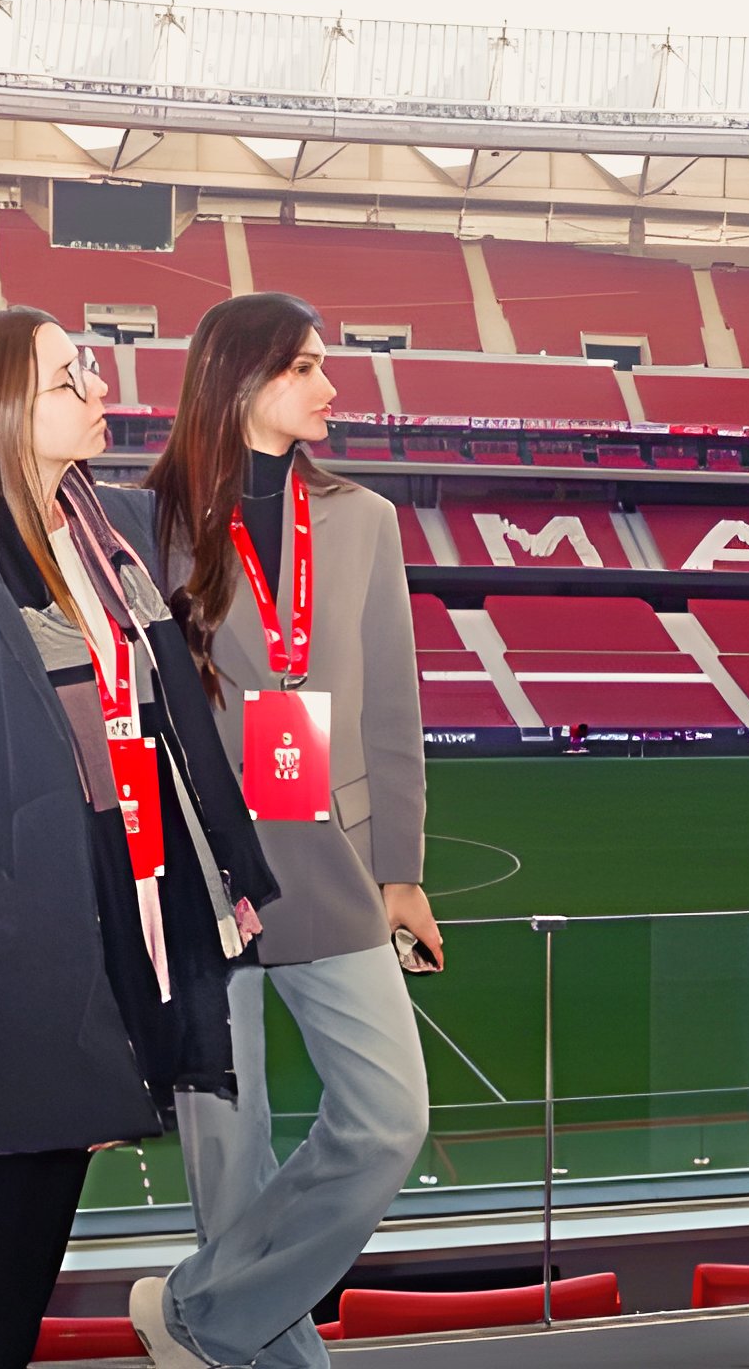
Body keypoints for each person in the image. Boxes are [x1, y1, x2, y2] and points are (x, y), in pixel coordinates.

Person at [0, 308, 278, 1369]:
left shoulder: (90, 536)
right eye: (69, 376)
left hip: (97, 941)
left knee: (28, 1243)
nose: (99, 390)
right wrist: (6, 936)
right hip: (10, 963)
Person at [128, 292, 436, 1369]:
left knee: (390, 1118)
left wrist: (401, 872)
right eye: (307, 366)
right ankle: (248, 1341)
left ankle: (197, 1311)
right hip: (201, 874)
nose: (331, 386)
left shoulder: (362, 518)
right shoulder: (138, 520)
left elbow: (392, 708)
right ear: (243, 377)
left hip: (332, 860)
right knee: (232, 1163)